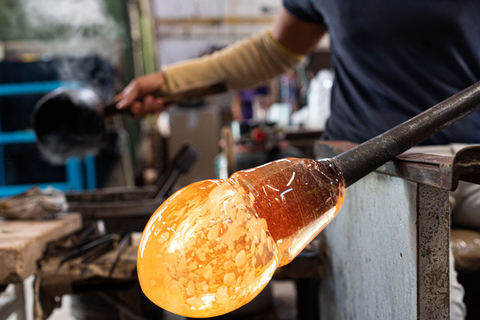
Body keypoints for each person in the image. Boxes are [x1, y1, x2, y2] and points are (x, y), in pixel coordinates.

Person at [116, 2, 480, 319]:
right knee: (431, 303)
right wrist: (171, 83)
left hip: (471, 157)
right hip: (374, 171)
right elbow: (273, 51)